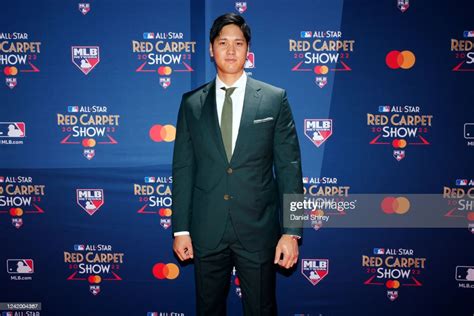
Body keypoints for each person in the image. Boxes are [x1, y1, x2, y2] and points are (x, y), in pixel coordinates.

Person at [172, 13, 303, 316]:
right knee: (208, 309)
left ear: (248, 50)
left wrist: (292, 231)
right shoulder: (191, 103)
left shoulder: (274, 99)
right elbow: (183, 169)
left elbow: (289, 168)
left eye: (238, 44)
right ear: (211, 49)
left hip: (258, 230)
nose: (230, 51)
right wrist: (180, 229)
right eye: (223, 43)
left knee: (262, 309)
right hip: (207, 229)